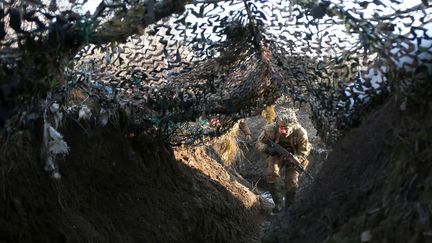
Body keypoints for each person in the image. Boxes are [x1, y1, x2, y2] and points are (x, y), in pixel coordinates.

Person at [255, 108, 311, 213]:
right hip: (276, 155)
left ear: (293, 126)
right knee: (271, 173)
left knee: (292, 181)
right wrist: (267, 149)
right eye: (281, 128)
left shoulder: (301, 133)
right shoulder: (270, 129)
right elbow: (258, 143)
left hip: (293, 158)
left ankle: (289, 207)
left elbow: (304, 152)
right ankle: (278, 204)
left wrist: (296, 159)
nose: (283, 131)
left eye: (286, 128)